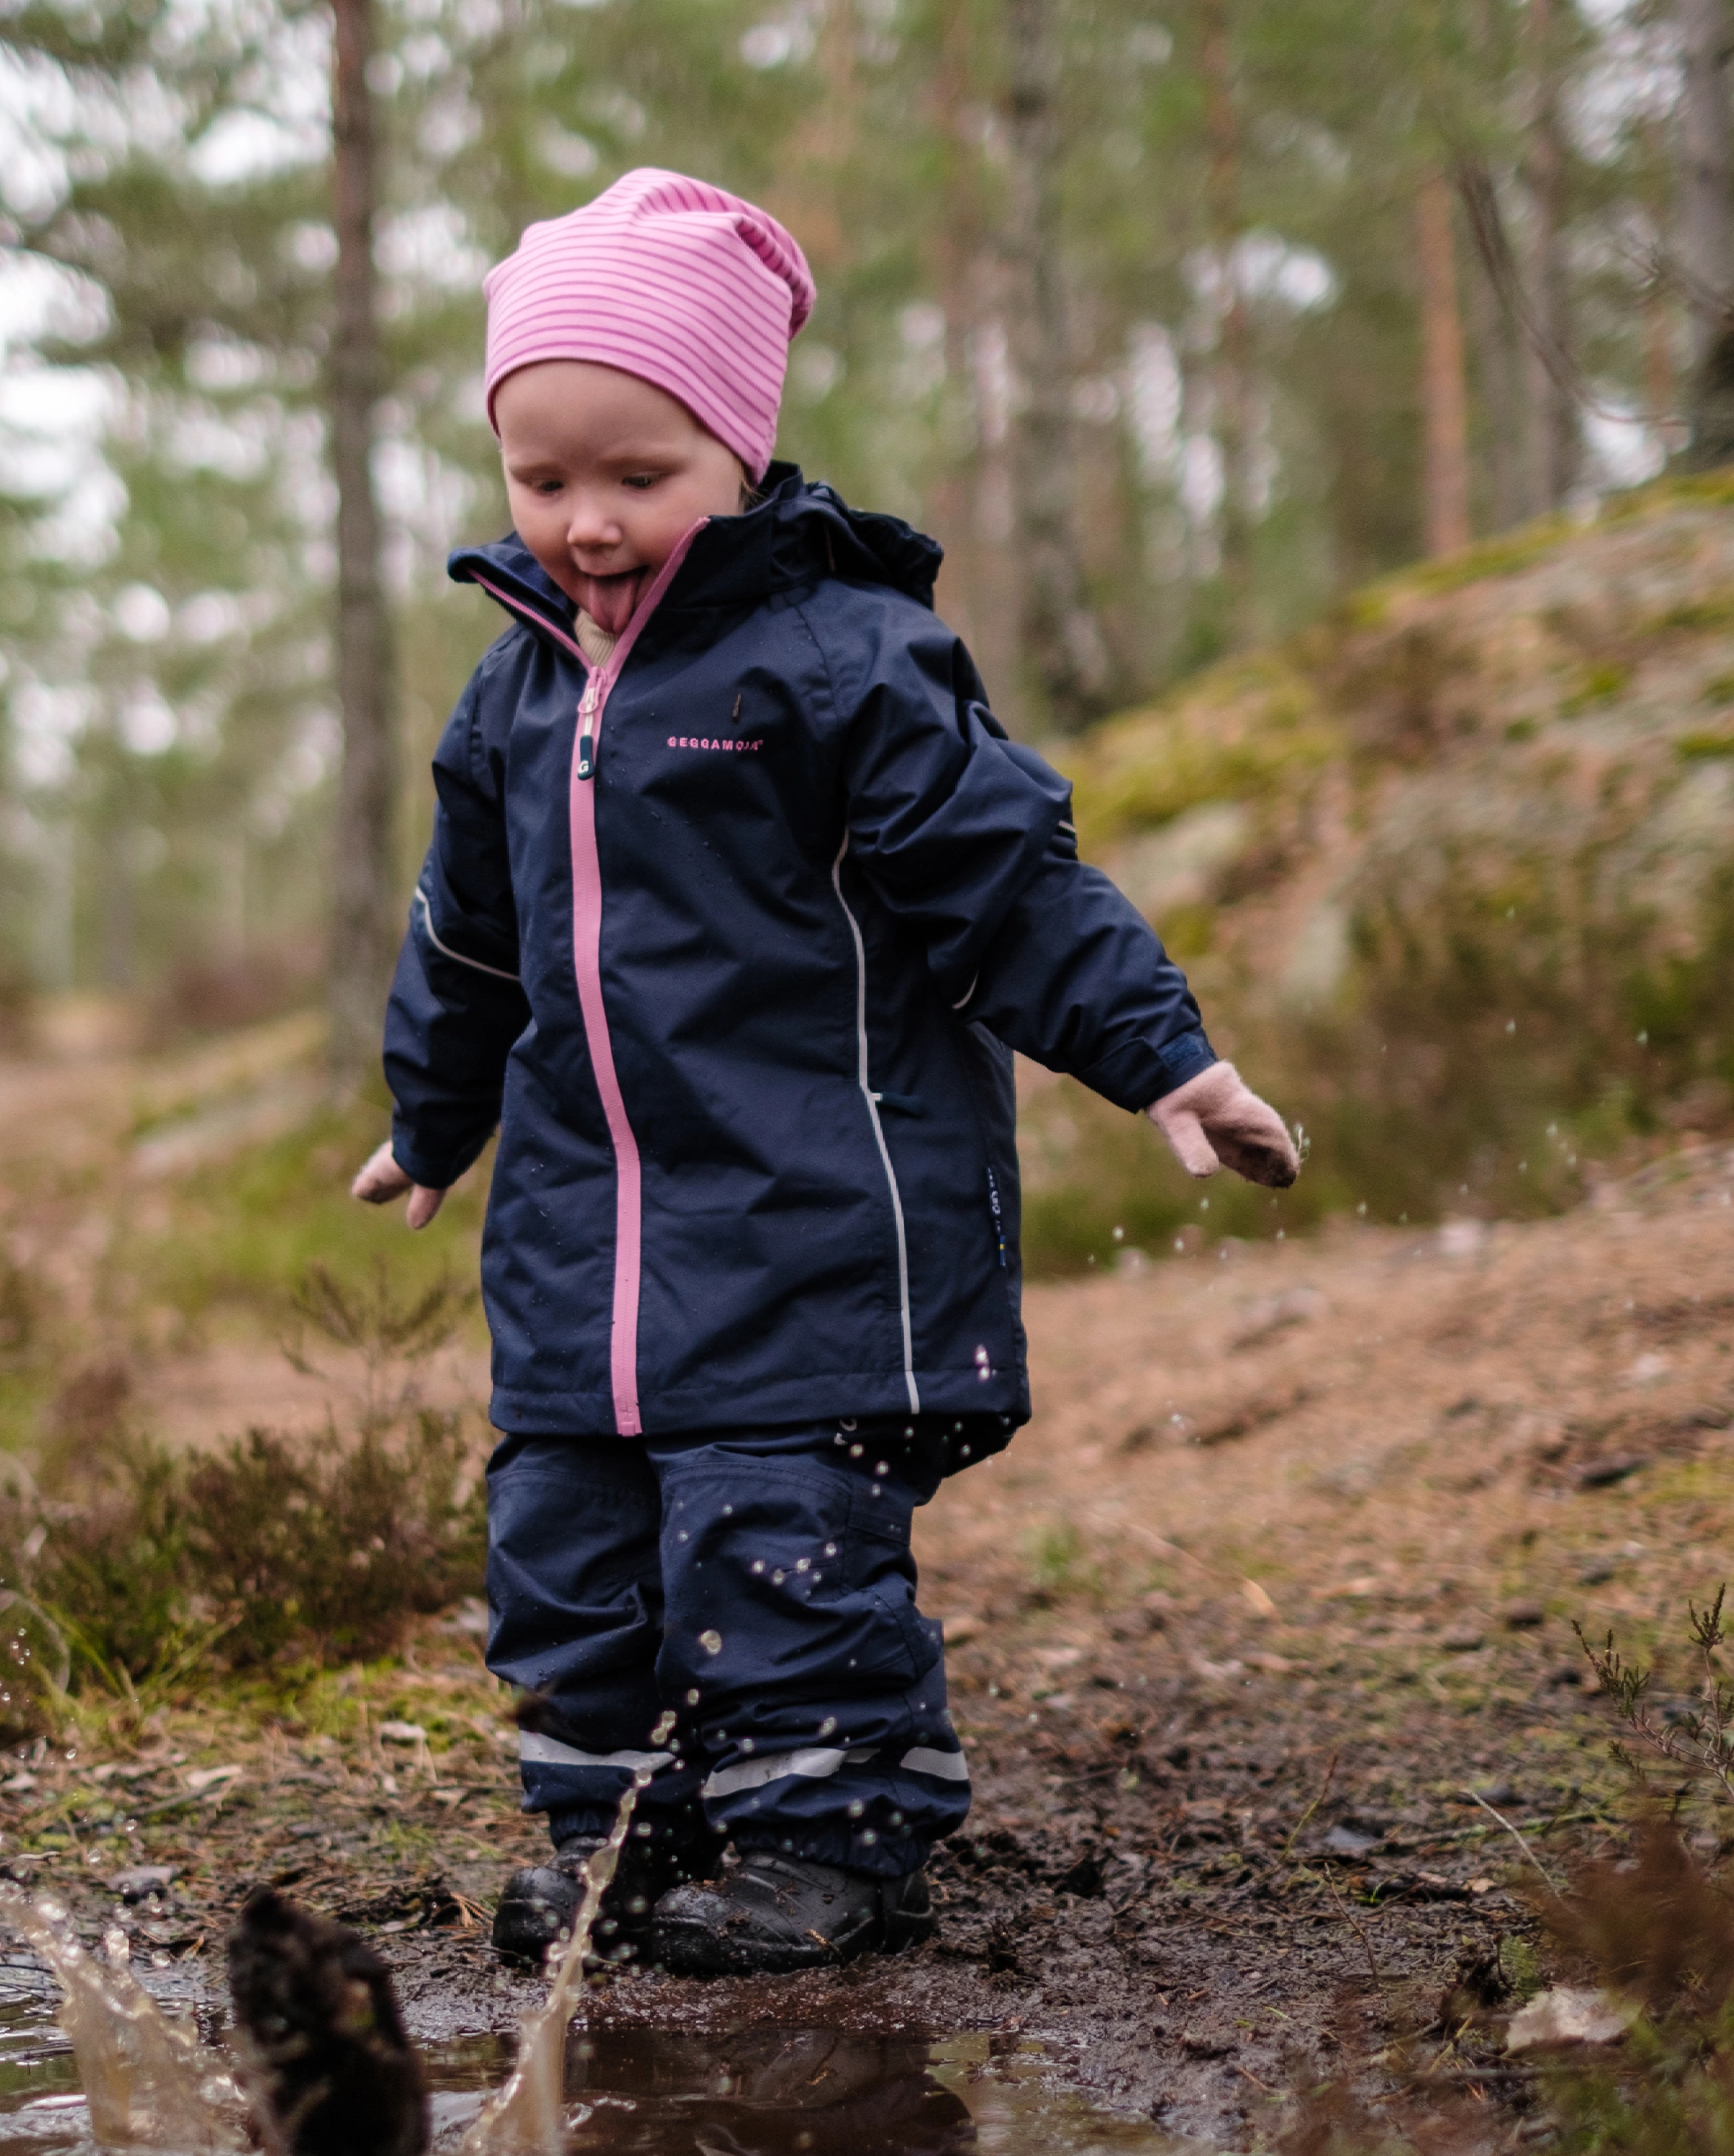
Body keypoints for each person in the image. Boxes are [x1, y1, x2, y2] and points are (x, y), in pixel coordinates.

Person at [350, 169, 1297, 1978]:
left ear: (738, 446)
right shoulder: (510, 696)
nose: (586, 523)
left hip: (815, 1234)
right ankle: (617, 1824)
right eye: (541, 481)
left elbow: (1003, 889)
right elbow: (467, 939)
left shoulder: (839, 658)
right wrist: (430, 1116)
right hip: (581, 1250)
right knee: (566, 1546)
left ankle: (825, 1832)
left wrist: (1165, 1061)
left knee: (773, 1541)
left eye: (638, 475)